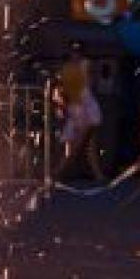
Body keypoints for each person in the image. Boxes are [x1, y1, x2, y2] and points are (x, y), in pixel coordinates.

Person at [56, 42, 104, 182]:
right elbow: (67, 89)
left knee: (85, 143)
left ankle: (61, 172)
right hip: (76, 107)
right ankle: (60, 172)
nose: (75, 55)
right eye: (73, 52)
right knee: (74, 144)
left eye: (77, 52)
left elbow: (90, 83)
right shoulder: (69, 68)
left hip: (83, 108)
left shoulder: (83, 66)